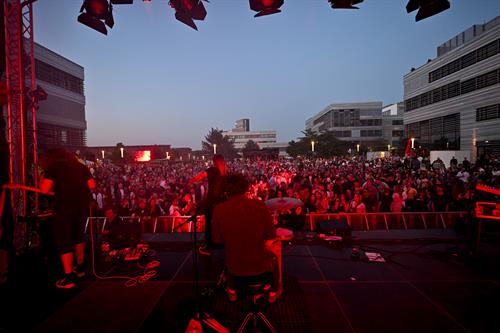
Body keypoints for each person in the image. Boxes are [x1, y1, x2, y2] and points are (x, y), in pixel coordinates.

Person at [211, 174, 279, 302]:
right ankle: (273, 293)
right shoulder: (259, 205)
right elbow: (271, 235)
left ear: (225, 191)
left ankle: (232, 290)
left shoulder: (218, 210)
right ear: (245, 188)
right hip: (261, 267)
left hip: (235, 269)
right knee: (274, 258)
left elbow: (217, 240)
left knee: (223, 257)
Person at [40, 149, 95, 289]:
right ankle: (80, 268)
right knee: (78, 237)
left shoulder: (54, 167)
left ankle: (68, 277)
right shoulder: (81, 167)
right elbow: (92, 185)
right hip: (81, 208)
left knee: (65, 241)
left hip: (63, 208)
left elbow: (44, 189)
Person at [189, 154, 227, 255]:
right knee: (220, 224)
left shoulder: (213, 170)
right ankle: (221, 244)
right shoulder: (224, 173)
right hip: (221, 203)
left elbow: (202, 175)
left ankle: (208, 247)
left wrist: (192, 180)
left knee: (209, 225)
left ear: (214, 162)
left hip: (211, 203)